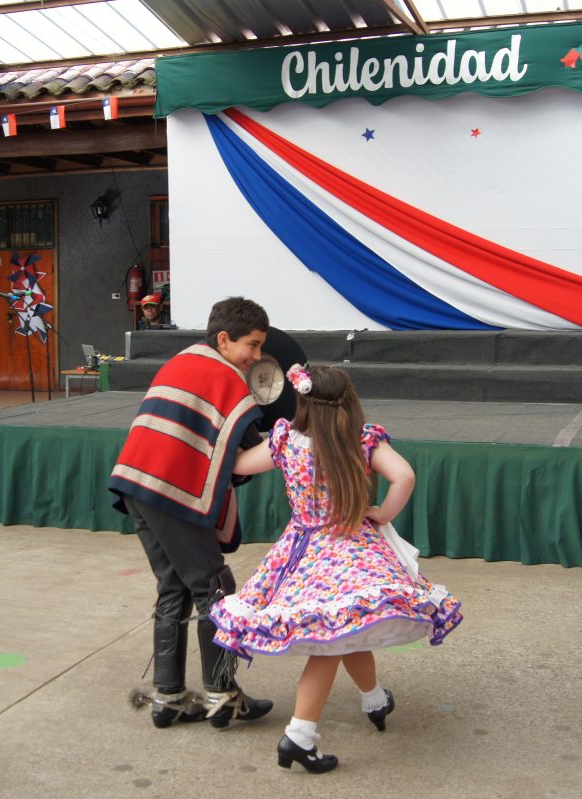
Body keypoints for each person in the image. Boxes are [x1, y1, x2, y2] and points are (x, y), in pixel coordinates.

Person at [210, 364, 464, 773]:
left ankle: (375, 699)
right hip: (351, 549)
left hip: (304, 550)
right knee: (332, 639)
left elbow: (239, 465)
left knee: (348, 629)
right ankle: (299, 736)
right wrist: (381, 513)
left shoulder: (286, 442)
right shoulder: (361, 440)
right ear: (348, 401)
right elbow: (405, 476)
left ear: (303, 401)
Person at [108, 296, 274, 729]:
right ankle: (222, 695)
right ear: (223, 338)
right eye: (252, 346)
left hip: (135, 483)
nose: (256, 357)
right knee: (215, 584)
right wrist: (293, 442)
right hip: (169, 487)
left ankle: (169, 698)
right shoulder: (222, 375)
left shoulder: (183, 360)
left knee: (174, 587)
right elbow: (245, 449)